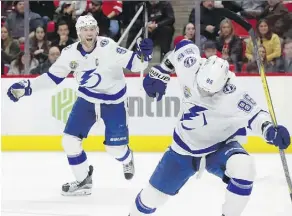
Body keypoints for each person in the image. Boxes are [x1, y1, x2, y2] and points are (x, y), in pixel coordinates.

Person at [128, 40, 291, 216]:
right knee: (151, 199)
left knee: (245, 167)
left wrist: (269, 130)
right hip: (183, 149)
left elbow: (256, 116)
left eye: (210, 92)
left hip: (219, 147)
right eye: (202, 88)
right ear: (201, 67)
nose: (204, 93)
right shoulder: (190, 63)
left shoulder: (234, 92)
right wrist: (162, 71)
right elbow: (182, 46)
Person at [7, 15, 153, 196]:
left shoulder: (109, 46)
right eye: (85, 29)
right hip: (87, 100)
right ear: (78, 33)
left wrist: (144, 55)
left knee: (115, 150)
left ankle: (127, 156)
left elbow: (137, 64)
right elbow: (52, 78)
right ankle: (84, 181)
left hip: (114, 101)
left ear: (97, 31)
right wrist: (28, 87)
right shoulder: (69, 53)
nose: (89, 33)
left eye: (92, 29)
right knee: (69, 141)